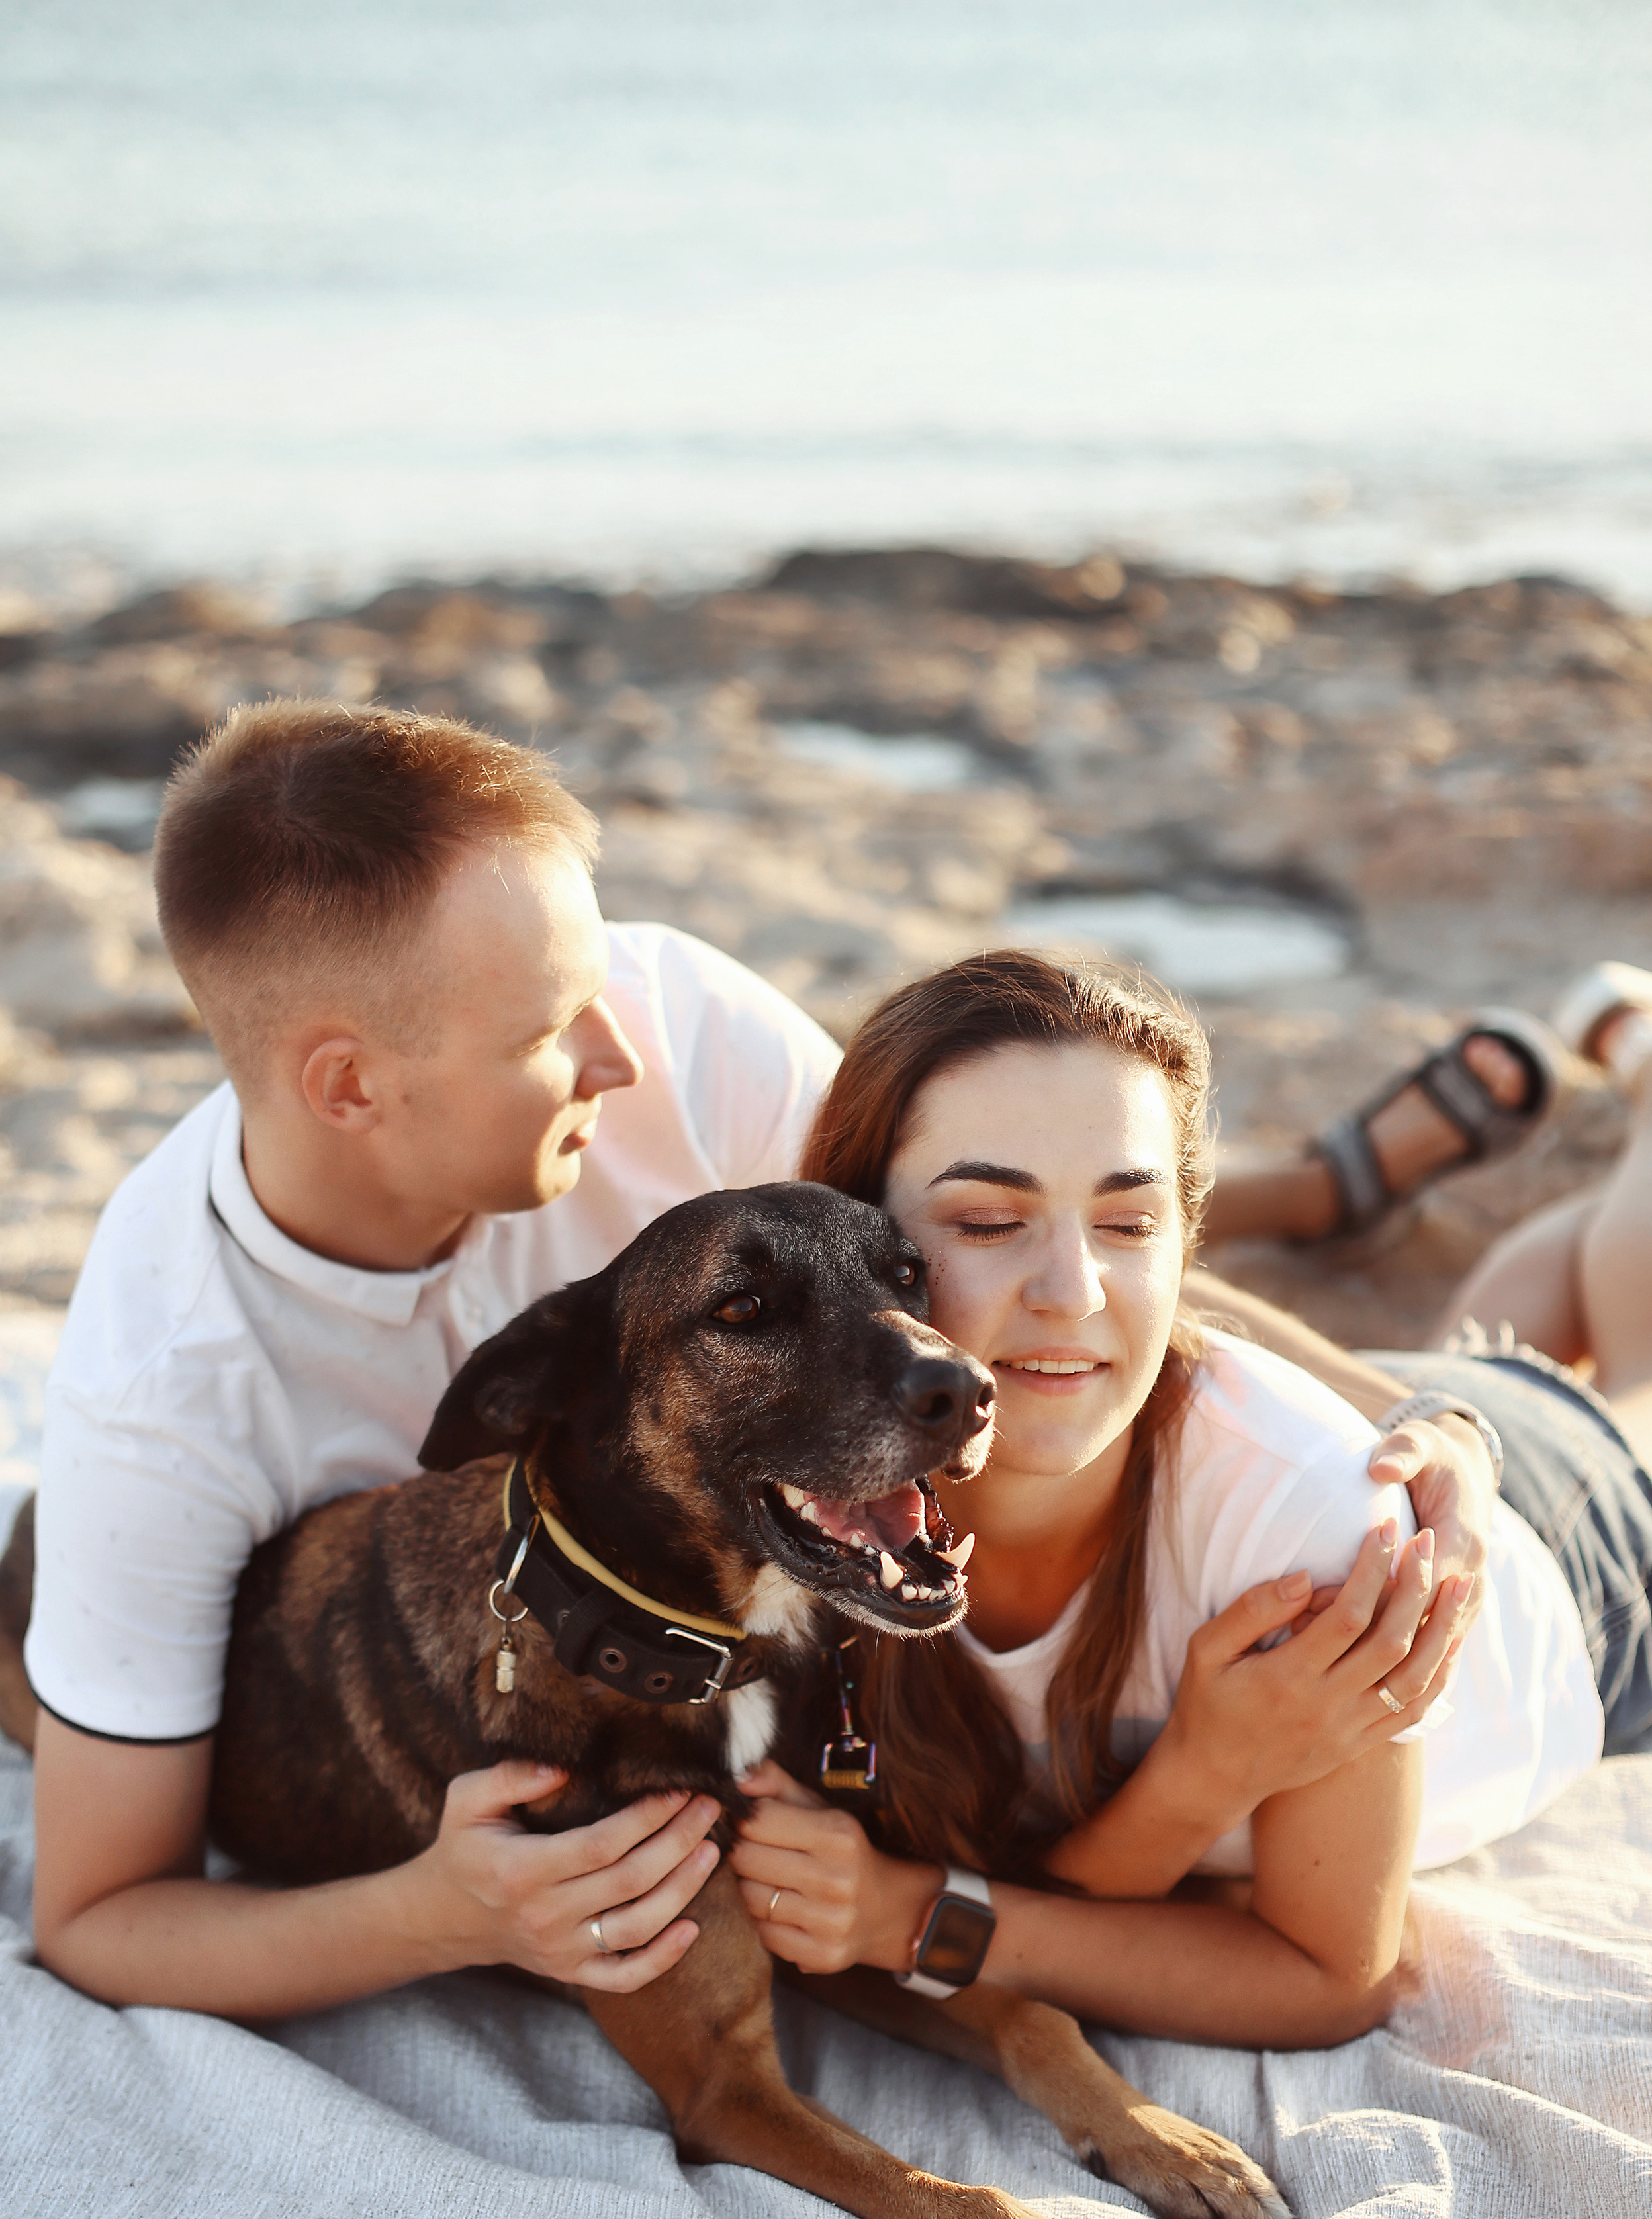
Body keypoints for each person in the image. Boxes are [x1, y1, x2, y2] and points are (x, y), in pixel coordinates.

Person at [15, 697, 1502, 2021]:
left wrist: (1417, 1413)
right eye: (550, 1027)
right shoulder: (162, 1402)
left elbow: (1033, 1268)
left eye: (600, 978)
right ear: (349, 1085)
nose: (620, 1054)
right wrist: (434, 1916)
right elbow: (100, 1917)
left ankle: (1331, 1196)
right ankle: (1350, 1185)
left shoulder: (681, 1030)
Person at [726, 952, 1652, 2048]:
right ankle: (1545, 1277)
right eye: (989, 1221)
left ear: (1187, 1244)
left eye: (1129, 1225)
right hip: (1304, 1416)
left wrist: (916, 1918)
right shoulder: (799, 1506)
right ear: (857, 1237)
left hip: (1565, 1558)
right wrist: (1193, 1777)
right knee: (1494, 1354)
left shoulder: (1323, 1527)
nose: (1073, 1294)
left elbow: (1331, 1981)